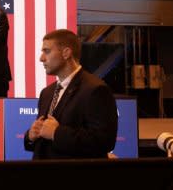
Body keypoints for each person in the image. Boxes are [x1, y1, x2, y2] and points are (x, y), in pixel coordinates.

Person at [25, 28, 118, 159]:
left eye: (47, 51)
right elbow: (43, 143)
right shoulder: (47, 93)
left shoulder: (96, 90)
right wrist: (30, 136)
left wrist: (56, 133)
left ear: (66, 53)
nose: (41, 58)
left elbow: (103, 142)